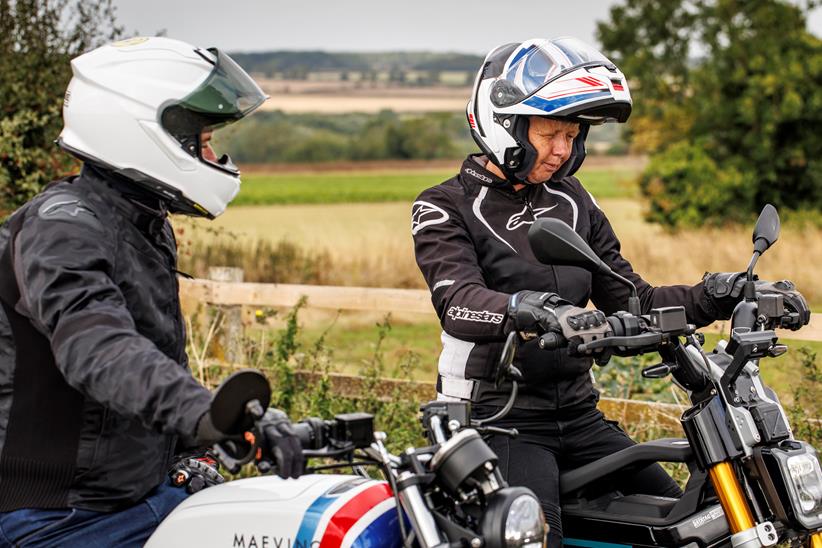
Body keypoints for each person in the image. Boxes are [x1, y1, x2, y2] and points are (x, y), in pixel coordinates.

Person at [411, 37, 809, 546]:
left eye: (572, 135)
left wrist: (723, 293)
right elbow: (458, 303)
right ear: (504, 123)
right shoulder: (446, 207)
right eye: (551, 132)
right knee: (532, 538)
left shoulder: (572, 200)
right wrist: (531, 310)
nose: (563, 150)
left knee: (693, 528)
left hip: (578, 416)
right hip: (497, 422)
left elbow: (633, 299)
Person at [0, 37, 305, 546]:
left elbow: (152, 358)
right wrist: (207, 413)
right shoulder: (63, 229)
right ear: (139, 129)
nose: (213, 155)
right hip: (59, 514)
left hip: (130, 494)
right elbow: (100, 349)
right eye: (201, 140)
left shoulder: (136, 222)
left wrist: (203, 442)